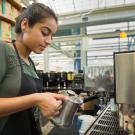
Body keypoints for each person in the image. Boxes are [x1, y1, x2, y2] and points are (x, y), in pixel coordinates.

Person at [0, 3, 66, 135]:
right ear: (25, 25)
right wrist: (36, 99)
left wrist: (49, 104)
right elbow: (32, 99)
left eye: (52, 35)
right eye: (45, 32)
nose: (49, 41)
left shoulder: (30, 62)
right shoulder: (3, 51)